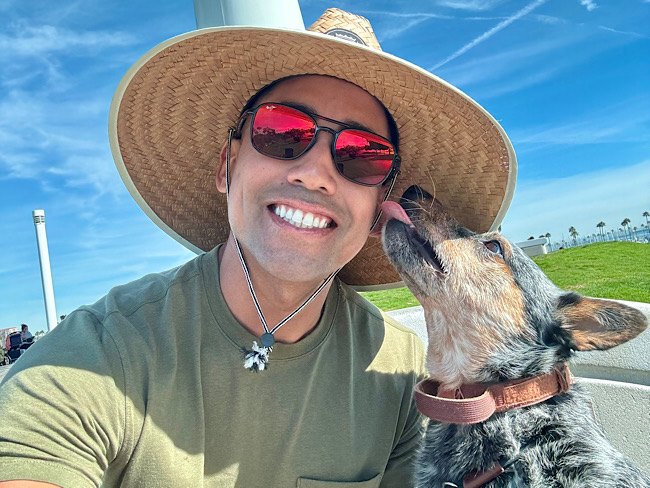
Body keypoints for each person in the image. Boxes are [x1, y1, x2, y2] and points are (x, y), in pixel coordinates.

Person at [0, 8, 515, 488]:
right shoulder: (100, 355)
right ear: (226, 167)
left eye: (362, 155)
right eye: (283, 131)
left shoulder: (403, 375)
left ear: (381, 206)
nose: (315, 174)